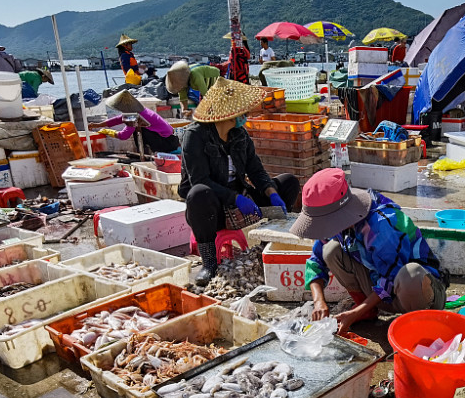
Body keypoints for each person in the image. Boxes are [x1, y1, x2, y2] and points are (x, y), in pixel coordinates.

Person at [291, 169, 445, 334]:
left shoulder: (381, 224)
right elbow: (317, 261)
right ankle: (367, 310)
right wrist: (319, 302)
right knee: (330, 251)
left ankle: (421, 326)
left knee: (410, 274)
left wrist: (354, 314)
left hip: (420, 293)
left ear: (340, 215)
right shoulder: (336, 223)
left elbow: (390, 279)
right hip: (381, 293)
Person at [179, 78, 300, 285]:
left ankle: (265, 246)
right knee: (198, 193)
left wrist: (271, 192)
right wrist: (234, 198)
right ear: (229, 113)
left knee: (288, 181)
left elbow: (255, 169)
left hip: (241, 198)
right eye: (243, 112)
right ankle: (209, 263)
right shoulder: (195, 135)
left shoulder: (240, 134)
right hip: (212, 206)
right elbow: (200, 179)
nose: (247, 115)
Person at [92, 90, 178, 157]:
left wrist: (107, 131)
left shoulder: (135, 116)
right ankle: (144, 153)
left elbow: (123, 136)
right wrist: (98, 125)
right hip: (170, 139)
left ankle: (144, 155)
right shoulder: (142, 111)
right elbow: (118, 119)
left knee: (138, 130)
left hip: (166, 143)